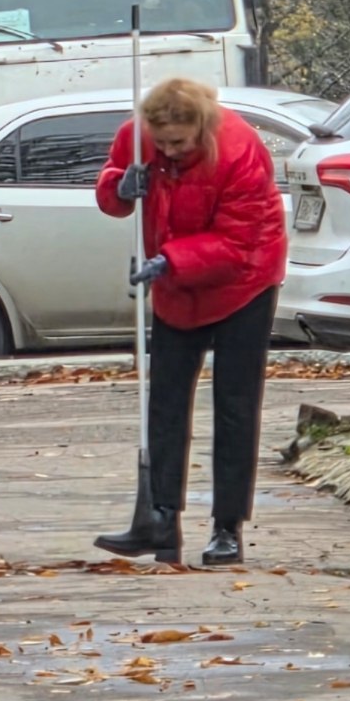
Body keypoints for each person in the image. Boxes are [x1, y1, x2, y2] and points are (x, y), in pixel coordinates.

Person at [91, 77, 287, 568]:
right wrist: (119, 186)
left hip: (245, 279)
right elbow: (114, 188)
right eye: (161, 143)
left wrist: (169, 261)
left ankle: (227, 527)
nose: (169, 152)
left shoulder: (240, 152)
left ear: (201, 126)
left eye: (178, 143)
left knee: (235, 403)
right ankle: (159, 520)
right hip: (176, 281)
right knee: (165, 400)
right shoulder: (139, 136)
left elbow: (240, 242)